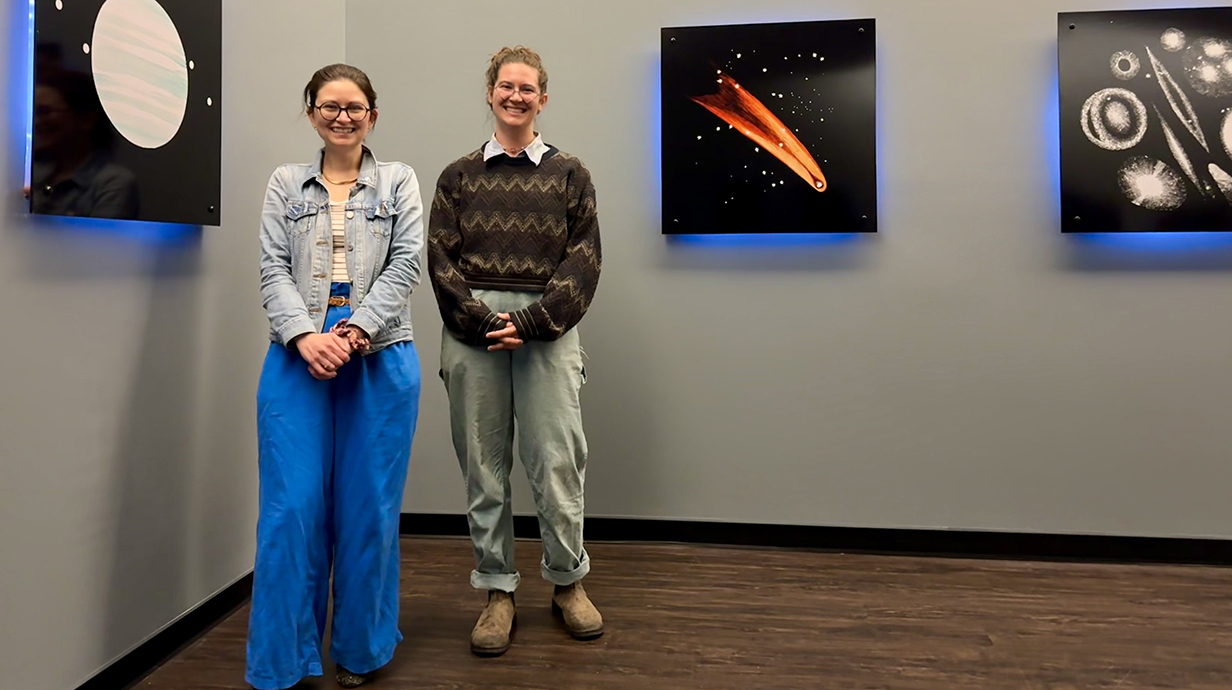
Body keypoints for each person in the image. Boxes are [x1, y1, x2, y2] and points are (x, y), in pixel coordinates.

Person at [247, 63, 424, 690]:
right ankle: (283, 659)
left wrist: (351, 333)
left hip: (379, 355)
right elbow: (271, 268)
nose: (341, 116)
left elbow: (407, 266)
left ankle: (361, 650)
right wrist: (305, 336)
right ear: (312, 112)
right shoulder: (285, 183)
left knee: (368, 511)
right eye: (329, 105)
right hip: (298, 357)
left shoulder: (399, 180)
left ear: (372, 115)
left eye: (354, 106)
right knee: (289, 511)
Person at [428, 45, 603, 657]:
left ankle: (567, 582)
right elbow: (441, 261)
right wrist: (480, 321)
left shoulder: (571, 175)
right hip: (472, 333)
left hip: (547, 333)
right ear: (491, 93)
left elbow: (584, 261)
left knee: (558, 462)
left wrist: (531, 320)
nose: (516, 96)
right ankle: (497, 589)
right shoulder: (456, 177)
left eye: (527, 88)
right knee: (485, 465)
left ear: (542, 99)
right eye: (506, 86)